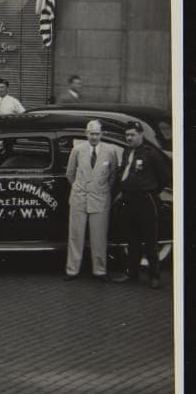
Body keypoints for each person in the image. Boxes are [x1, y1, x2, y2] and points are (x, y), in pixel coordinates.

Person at [111, 121, 170, 289]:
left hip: (146, 200)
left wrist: (150, 191)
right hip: (129, 200)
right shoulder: (127, 151)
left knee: (150, 240)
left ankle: (154, 276)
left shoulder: (150, 153)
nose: (129, 138)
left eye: (132, 135)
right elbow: (124, 171)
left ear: (140, 135)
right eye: (127, 135)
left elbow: (164, 177)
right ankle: (133, 273)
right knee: (132, 239)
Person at [64, 120, 118, 282]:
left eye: (97, 134)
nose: (94, 137)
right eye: (91, 133)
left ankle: (99, 270)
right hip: (79, 197)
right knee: (75, 235)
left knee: (99, 236)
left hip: (100, 198)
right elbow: (70, 173)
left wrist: (100, 189)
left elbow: (113, 175)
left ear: (102, 134)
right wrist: (80, 187)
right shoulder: (78, 150)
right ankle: (72, 270)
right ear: (86, 133)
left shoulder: (110, 151)